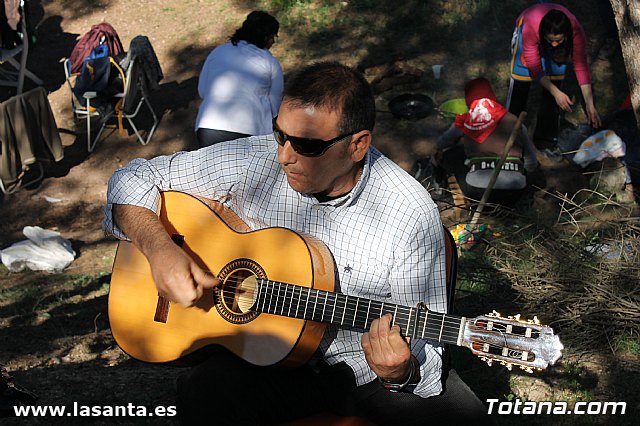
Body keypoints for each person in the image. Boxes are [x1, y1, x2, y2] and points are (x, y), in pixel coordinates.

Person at [104, 62, 488, 425]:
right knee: (203, 392)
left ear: (357, 145)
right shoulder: (255, 159)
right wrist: (161, 249)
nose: (284, 156)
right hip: (260, 353)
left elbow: (427, 354)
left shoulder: (407, 213)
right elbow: (134, 178)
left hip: (359, 368)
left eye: (305, 145)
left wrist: (400, 371)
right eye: (279, 134)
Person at [506, 3, 601, 150]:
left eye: (559, 40)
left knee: (554, 91)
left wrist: (590, 104)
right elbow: (534, 68)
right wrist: (557, 93)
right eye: (551, 40)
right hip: (529, 31)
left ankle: (546, 142)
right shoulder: (530, 28)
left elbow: (581, 65)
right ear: (544, 35)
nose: (555, 44)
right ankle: (509, 141)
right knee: (520, 85)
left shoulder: (575, 30)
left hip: (552, 35)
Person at [435, 78, 538, 207]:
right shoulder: (514, 120)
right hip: (514, 194)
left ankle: (443, 189)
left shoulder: (466, 119)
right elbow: (532, 163)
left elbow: (441, 144)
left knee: (450, 155)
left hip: (478, 194)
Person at [194, 11, 283, 147]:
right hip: (250, 131)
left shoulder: (218, 51)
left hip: (208, 127)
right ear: (266, 37)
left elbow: (202, 91)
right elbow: (275, 106)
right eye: (273, 37)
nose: (273, 42)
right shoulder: (270, 62)